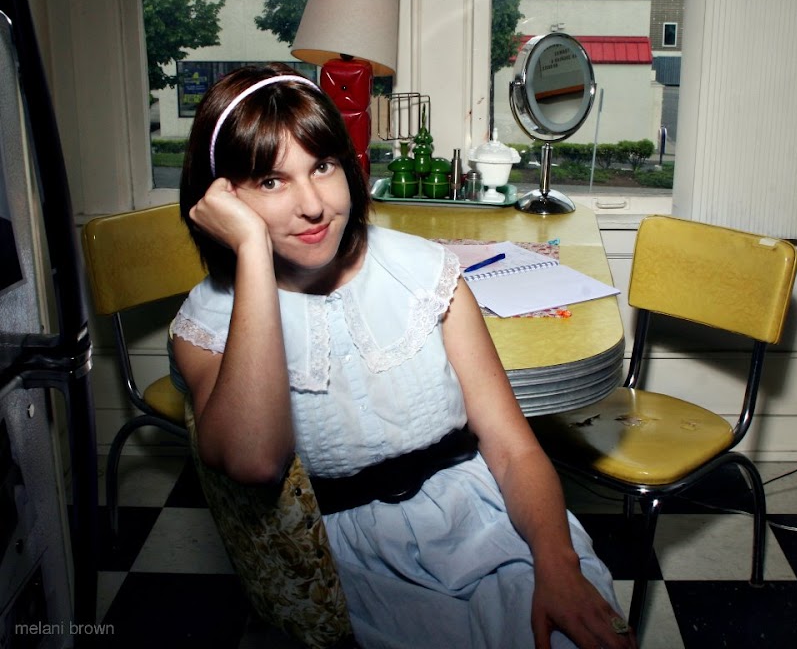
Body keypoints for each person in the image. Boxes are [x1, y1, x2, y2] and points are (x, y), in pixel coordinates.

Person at [169, 63, 637, 649]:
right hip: (348, 561)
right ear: (221, 198)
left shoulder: (425, 271)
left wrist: (556, 565)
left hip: (487, 517)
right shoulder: (206, 323)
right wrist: (252, 255)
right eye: (270, 181)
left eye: (322, 166)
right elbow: (255, 462)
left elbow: (513, 448)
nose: (312, 205)